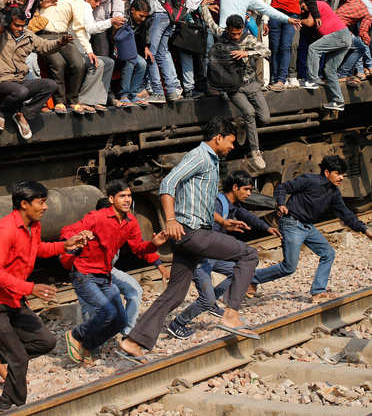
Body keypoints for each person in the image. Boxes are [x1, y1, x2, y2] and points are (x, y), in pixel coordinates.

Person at [119, 119, 260, 362]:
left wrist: (223, 222)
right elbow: (168, 183)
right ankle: (231, 314)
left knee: (175, 294)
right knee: (248, 255)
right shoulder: (200, 156)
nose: (232, 147)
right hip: (192, 233)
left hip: (191, 232)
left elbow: (201, 200)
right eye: (231, 141)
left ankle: (134, 341)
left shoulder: (210, 160)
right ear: (218, 137)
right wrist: (170, 220)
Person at [0, 181, 89, 411]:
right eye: (41, 202)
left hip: (13, 299)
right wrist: (30, 288)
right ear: (24, 204)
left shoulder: (33, 226)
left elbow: (38, 250)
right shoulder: (4, 230)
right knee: (19, 360)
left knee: (47, 342)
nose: (45, 207)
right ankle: (10, 407)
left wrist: (65, 246)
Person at [60, 181, 167, 363]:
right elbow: (67, 231)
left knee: (120, 320)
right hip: (84, 274)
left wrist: (153, 245)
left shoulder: (130, 222)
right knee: (107, 312)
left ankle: (88, 345)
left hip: (105, 276)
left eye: (129, 196)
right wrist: (76, 237)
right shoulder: (97, 217)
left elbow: (138, 249)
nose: (127, 200)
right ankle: (76, 335)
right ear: (111, 199)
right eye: (122, 196)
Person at [167, 171, 281, 339]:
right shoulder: (217, 205)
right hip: (199, 257)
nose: (249, 194)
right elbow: (204, 237)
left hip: (212, 256)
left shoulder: (232, 204)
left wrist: (267, 228)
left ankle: (212, 303)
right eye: (247, 189)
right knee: (207, 299)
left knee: (242, 271)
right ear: (235, 188)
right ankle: (178, 323)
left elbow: (247, 216)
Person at [250, 155, 372, 303]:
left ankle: (318, 292)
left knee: (328, 253)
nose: (341, 178)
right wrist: (281, 203)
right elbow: (282, 187)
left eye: (343, 175)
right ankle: (251, 278)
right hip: (292, 224)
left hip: (308, 227)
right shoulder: (309, 180)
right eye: (338, 174)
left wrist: (364, 229)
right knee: (289, 267)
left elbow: (346, 214)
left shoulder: (334, 193)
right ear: (327, 173)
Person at [0, 1, 65, 139]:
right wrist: (7, 1)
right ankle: (1, 110)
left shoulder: (28, 35)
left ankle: (22, 114)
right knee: (22, 91)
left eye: (23, 25)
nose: (20, 28)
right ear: (9, 23)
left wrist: (59, 43)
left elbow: (44, 46)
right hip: (0, 82)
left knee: (50, 85)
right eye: (17, 25)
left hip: (19, 81)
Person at [204, 12, 271, 170]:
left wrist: (247, 53)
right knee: (249, 112)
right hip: (234, 87)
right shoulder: (222, 35)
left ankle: (242, 125)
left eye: (238, 33)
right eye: (233, 33)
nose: (236, 36)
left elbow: (267, 52)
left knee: (265, 118)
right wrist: (204, 6)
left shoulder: (247, 39)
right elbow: (210, 23)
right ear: (227, 29)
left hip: (252, 83)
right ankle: (255, 151)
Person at [118, 0, 181, 103]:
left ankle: (158, 92)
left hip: (158, 15)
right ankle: (172, 91)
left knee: (150, 54)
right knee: (161, 53)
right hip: (168, 15)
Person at [37, 0, 98, 114]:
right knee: (58, 63)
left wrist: (89, 50)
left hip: (64, 36)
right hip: (44, 36)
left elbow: (79, 28)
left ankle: (73, 100)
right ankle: (59, 102)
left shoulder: (77, 0)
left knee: (79, 64)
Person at [268, 0, 320, 91]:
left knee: (287, 46)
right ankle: (273, 76)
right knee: (275, 46)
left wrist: (316, 15)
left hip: (293, 16)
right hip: (275, 13)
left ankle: (281, 79)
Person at [299, 0, 352, 111]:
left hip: (339, 35)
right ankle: (338, 101)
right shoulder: (319, 6)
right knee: (330, 69)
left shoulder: (317, 4)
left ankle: (312, 80)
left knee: (313, 48)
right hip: (344, 37)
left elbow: (309, 22)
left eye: (302, 6)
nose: (303, 9)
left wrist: (297, 20)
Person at [119, 0, 152, 105]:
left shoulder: (143, 21)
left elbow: (143, 35)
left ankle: (133, 94)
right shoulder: (123, 18)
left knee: (142, 63)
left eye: (145, 17)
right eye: (141, 15)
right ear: (132, 10)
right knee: (130, 62)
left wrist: (146, 47)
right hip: (119, 49)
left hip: (132, 51)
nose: (143, 19)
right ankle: (124, 95)